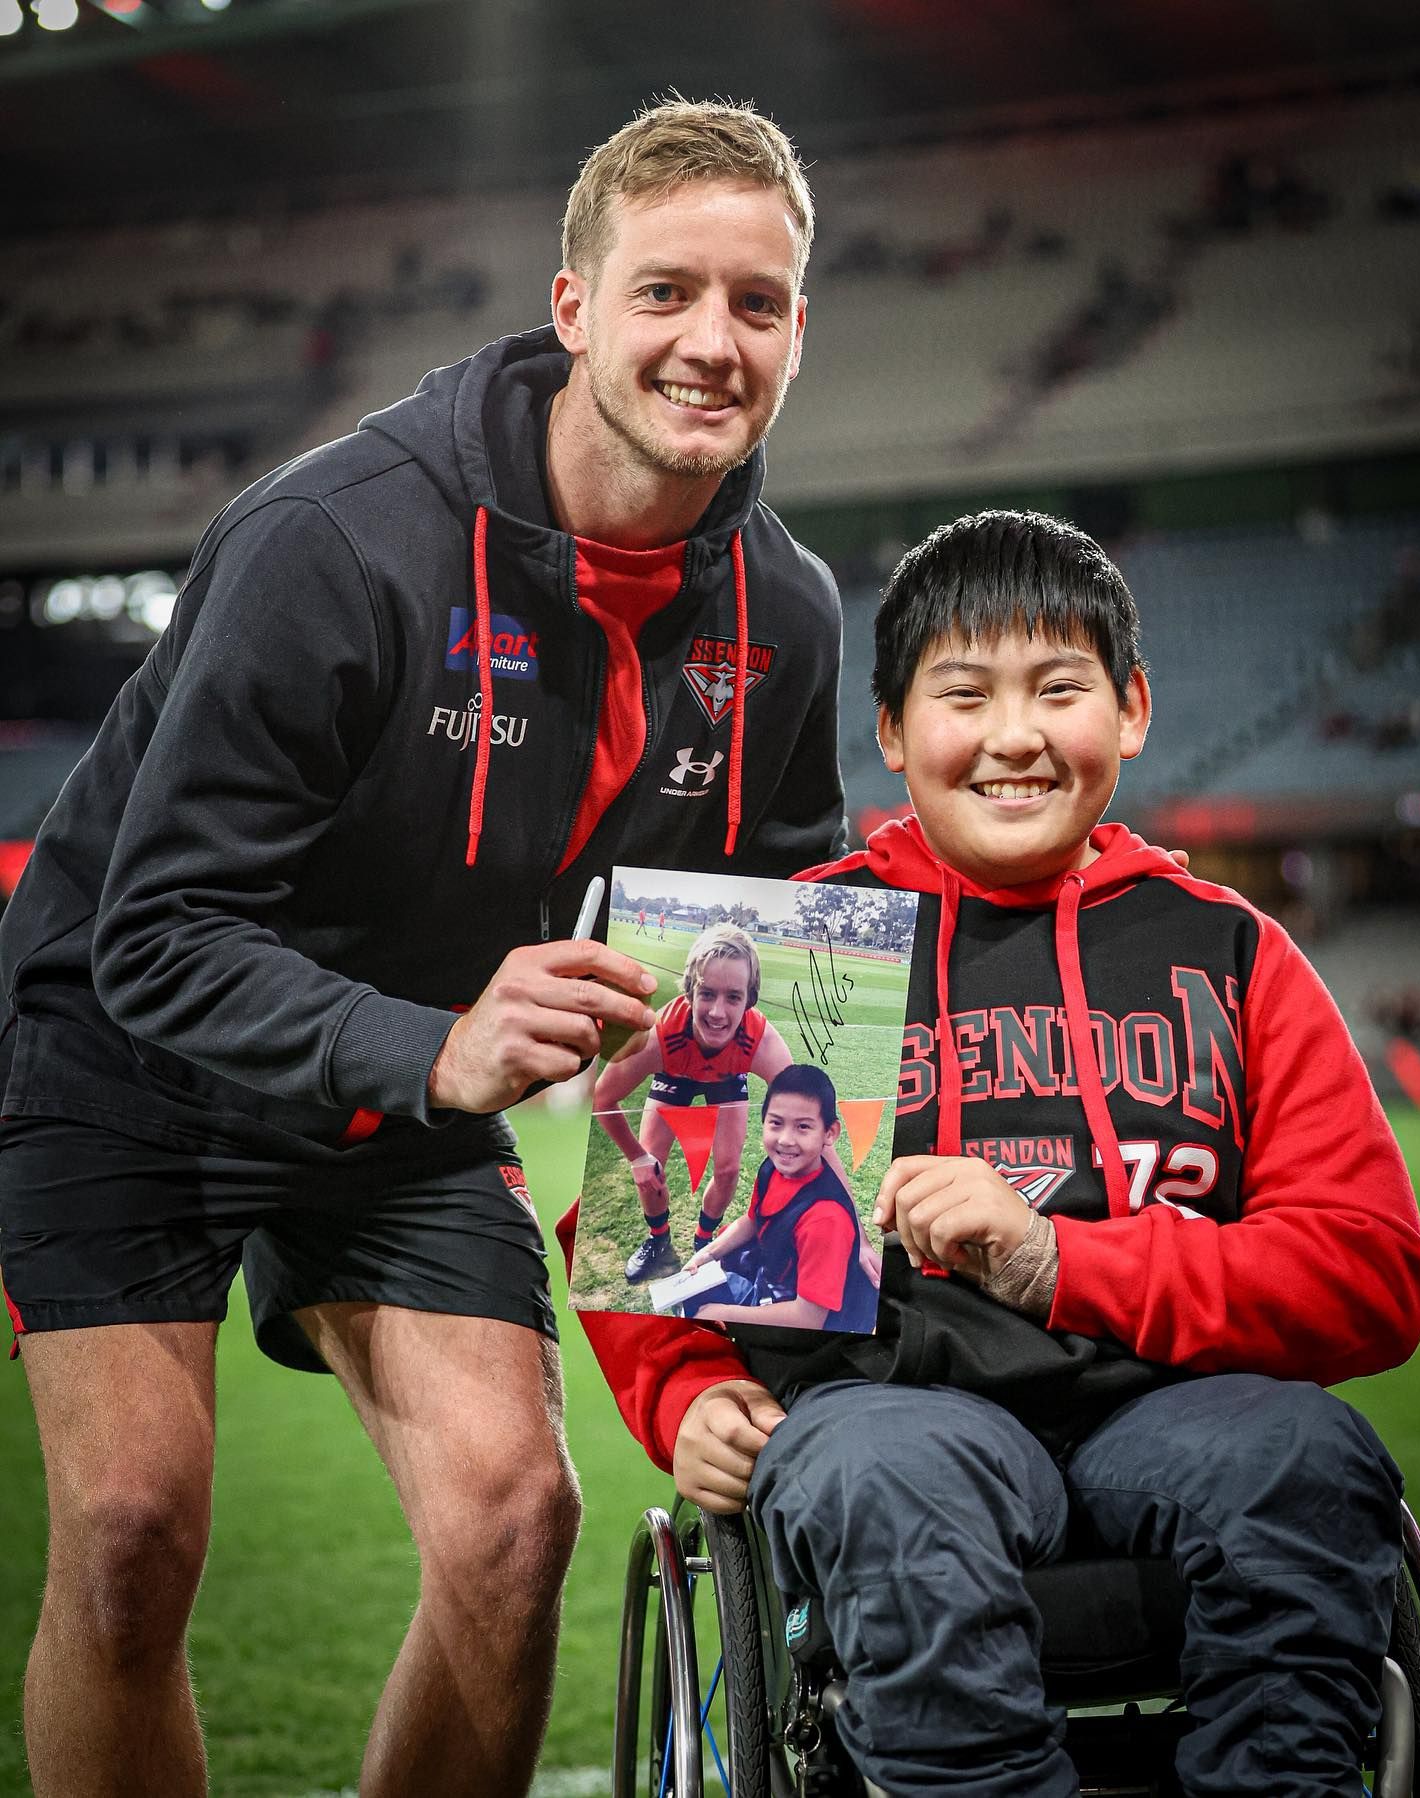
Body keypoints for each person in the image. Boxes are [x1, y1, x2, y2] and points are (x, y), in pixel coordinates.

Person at [0, 98, 846, 1797]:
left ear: (799, 330)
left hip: (401, 1083)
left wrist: (725, 1352)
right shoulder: (336, 541)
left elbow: (770, 980)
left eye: (756, 303)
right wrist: (445, 1047)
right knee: (127, 1529)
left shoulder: (789, 611)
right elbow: (155, 929)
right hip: (126, 1047)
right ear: (574, 306)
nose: (711, 341)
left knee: (516, 1520)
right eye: (666, 291)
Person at [566, 510, 1420, 1797]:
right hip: (896, 1408)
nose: (1015, 738)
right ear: (894, 732)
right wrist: (685, 1391)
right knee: (875, 1469)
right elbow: (636, 1229)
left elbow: (1369, 1273)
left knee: (1305, 1455)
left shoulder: (1231, 949)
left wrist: (1050, 1260)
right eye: (963, 695)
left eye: (1061, 689)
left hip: (1173, 1403)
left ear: (1132, 710)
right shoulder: (806, 944)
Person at [596, 921, 797, 1281]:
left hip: (726, 1076)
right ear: (690, 991)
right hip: (676, 1070)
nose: (718, 1013)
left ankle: (703, 1242)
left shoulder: (760, 1041)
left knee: (728, 1169)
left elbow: (806, 1108)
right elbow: (604, 1098)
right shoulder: (658, 1036)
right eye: (707, 994)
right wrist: (637, 1158)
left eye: (733, 997)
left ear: (749, 999)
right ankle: (658, 1239)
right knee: (650, 1169)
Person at [678, 1062, 876, 1333]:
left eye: (803, 1127)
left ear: (829, 1133)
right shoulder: (773, 1170)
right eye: (776, 1123)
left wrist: (721, 1312)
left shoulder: (826, 1219)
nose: (785, 1140)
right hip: (771, 1285)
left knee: (700, 1313)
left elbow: (808, 1319)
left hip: (798, 1324)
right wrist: (707, 1254)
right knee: (690, 1297)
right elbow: (753, 1220)